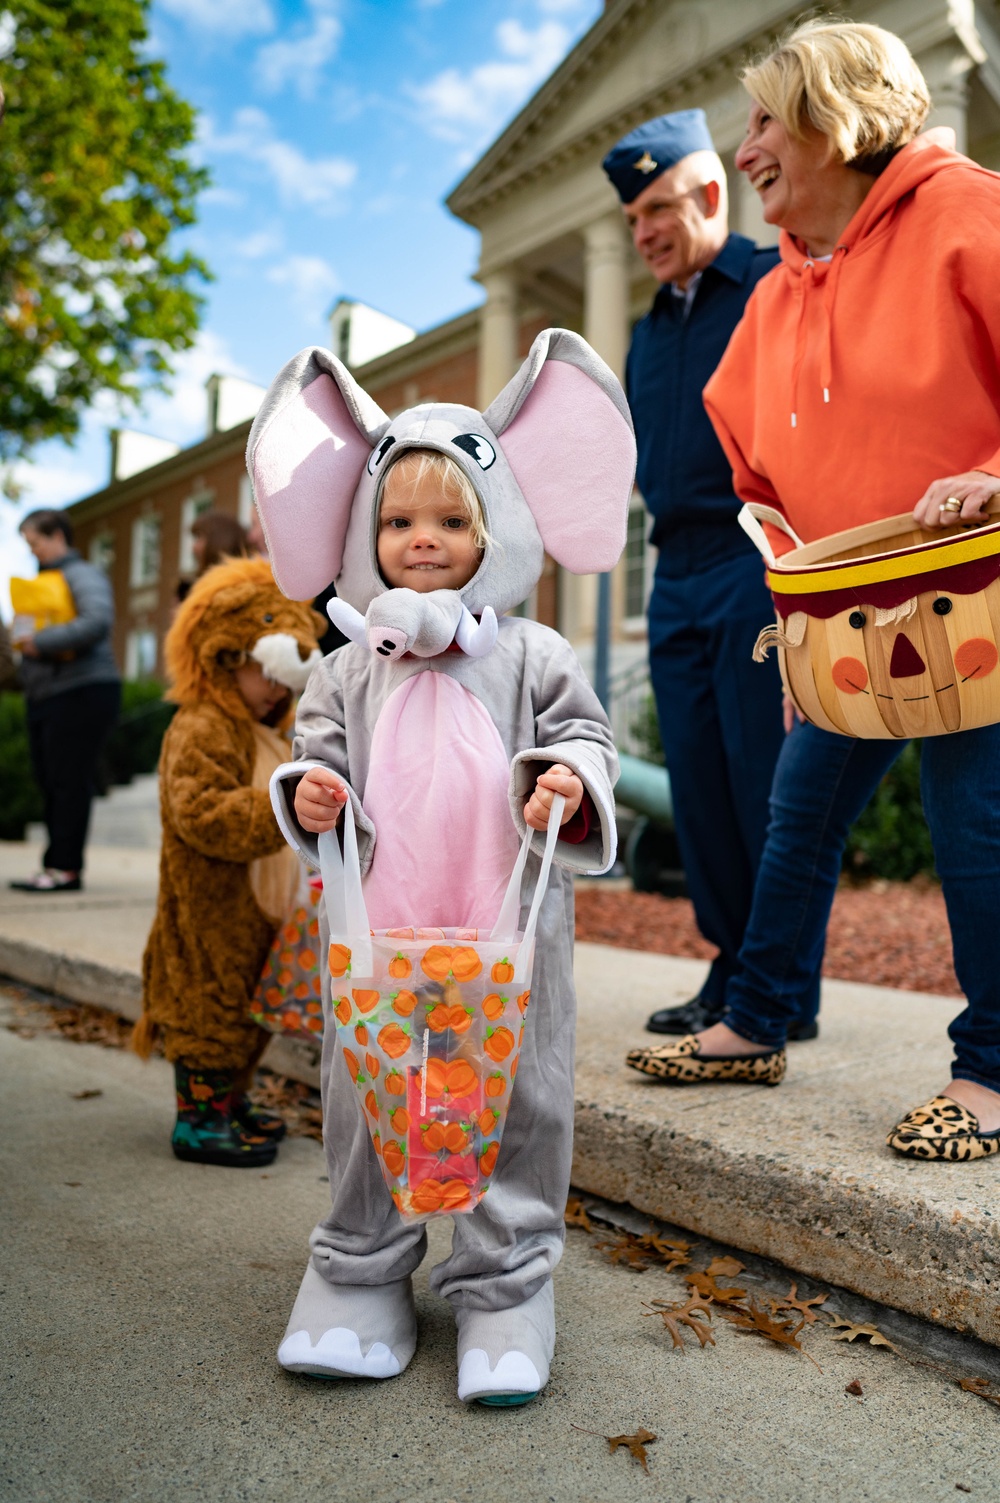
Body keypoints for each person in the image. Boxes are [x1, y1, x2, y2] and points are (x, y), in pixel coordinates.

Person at [627, 19, 1000, 1164]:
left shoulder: (969, 212)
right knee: (796, 817)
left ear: (834, 115)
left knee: (972, 823)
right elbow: (756, 478)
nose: (744, 153)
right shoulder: (777, 297)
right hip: (847, 614)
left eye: (759, 122)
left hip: (981, 596)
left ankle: (989, 1077)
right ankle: (756, 1017)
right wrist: (797, 622)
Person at [251, 330, 632, 1404]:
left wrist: (566, 775)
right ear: (365, 533)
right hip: (374, 929)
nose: (424, 541)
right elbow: (310, 762)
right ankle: (358, 1271)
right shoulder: (340, 674)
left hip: (507, 928)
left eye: (452, 519)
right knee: (367, 1094)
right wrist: (310, 793)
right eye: (400, 521)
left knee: (518, 1093)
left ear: (495, 524)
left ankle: (504, 1282)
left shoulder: (535, 655)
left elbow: (589, 741)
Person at [602, 111, 819, 1040]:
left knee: (763, 783)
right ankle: (732, 967)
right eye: (633, 220)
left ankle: (783, 990)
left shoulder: (773, 279)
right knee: (695, 785)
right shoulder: (646, 332)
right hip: (674, 573)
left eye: (658, 208)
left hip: (753, 556)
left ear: (709, 196)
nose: (645, 232)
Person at [131, 556, 323, 1167]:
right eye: (265, 675)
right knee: (208, 1011)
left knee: (249, 1014)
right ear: (223, 659)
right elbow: (203, 812)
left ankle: (228, 1102)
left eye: (285, 683)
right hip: (209, 911)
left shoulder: (263, 730)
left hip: (260, 906)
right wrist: (284, 807)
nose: (277, 692)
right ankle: (198, 1119)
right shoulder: (202, 725)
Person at [10, 509, 121, 892]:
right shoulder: (42, 582)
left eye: (36, 543)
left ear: (57, 536)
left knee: (68, 780)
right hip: (48, 694)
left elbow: (96, 621)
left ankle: (64, 869)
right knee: (51, 779)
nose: (33, 552)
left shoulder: (82, 575)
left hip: (82, 690)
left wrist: (38, 643)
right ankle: (54, 865)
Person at [175, 509, 249, 603]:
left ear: (219, 541)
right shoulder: (195, 588)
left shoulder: (234, 589)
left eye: (199, 537)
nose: (194, 547)